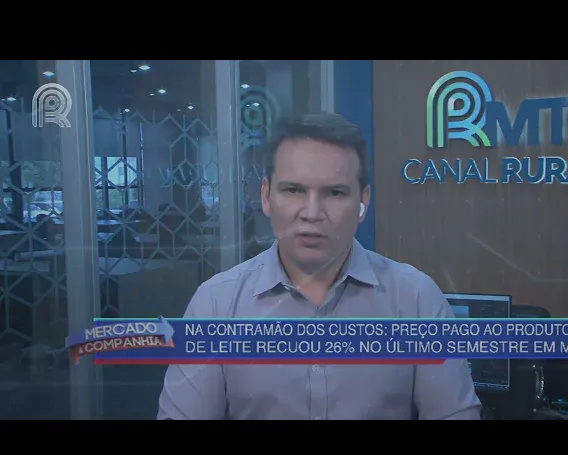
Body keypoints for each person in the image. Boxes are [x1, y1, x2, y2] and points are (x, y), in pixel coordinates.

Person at [157, 112, 481, 420]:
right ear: (266, 196)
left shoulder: (416, 300)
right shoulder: (216, 304)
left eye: (334, 193)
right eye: (294, 190)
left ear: (363, 201)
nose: (312, 213)